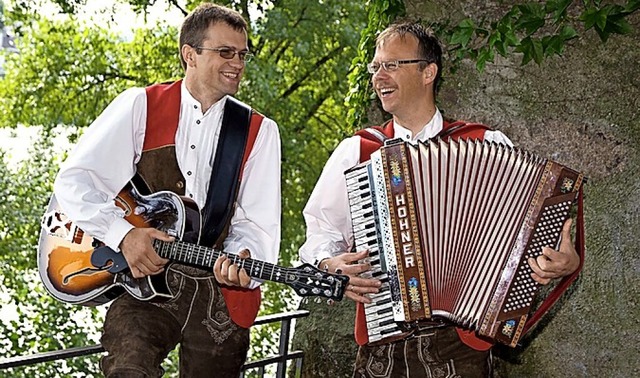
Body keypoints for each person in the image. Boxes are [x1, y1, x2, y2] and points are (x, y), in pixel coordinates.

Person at [299, 20, 581, 377]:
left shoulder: (488, 145)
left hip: (462, 347)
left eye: (392, 65)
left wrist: (564, 263)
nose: (379, 76)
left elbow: (532, 244)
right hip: (383, 344)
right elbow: (321, 230)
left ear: (428, 71)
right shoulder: (358, 150)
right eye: (375, 66)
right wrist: (330, 264)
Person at [53, 3, 281, 377]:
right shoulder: (140, 105)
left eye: (242, 54)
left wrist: (243, 258)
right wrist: (123, 234)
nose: (237, 62)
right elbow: (75, 180)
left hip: (215, 291)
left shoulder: (259, 131)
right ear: (189, 55)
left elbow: (258, 224)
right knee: (127, 369)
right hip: (142, 279)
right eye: (225, 52)